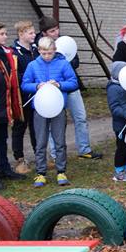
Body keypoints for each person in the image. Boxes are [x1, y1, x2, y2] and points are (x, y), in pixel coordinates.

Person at [38, 16, 102, 160]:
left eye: (57, 29)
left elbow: (76, 61)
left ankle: (84, 149)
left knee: (80, 118)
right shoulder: (40, 45)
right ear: (44, 33)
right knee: (54, 123)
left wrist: (63, 62)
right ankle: (56, 155)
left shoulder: (64, 42)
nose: (56, 33)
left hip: (70, 86)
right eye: (52, 31)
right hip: (53, 90)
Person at [22, 37, 78, 187]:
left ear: (55, 50)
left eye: (50, 53)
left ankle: (61, 171)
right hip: (39, 108)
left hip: (58, 107)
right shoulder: (33, 65)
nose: (47, 56)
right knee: (40, 142)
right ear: (39, 51)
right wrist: (37, 86)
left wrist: (59, 84)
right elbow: (25, 84)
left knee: (59, 141)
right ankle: (41, 173)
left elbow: (73, 82)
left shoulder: (63, 64)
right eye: (44, 53)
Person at [0, 22, 23, 189]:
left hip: (2, 105)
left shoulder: (3, 54)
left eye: (6, 33)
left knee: (1, 139)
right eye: (2, 34)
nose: (6, 36)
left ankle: (4, 169)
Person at [11, 20, 37, 175]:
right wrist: (30, 81)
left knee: (36, 127)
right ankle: (19, 159)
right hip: (21, 97)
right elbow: (15, 75)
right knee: (20, 127)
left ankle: (39, 155)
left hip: (36, 96)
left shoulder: (35, 50)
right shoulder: (15, 53)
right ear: (21, 34)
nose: (34, 35)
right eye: (30, 33)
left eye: (34, 32)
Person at [106, 61, 126, 182]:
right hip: (121, 125)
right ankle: (118, 171)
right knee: (121, 148)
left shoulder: (125, 86)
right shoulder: (113, 88)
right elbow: (114, 108)